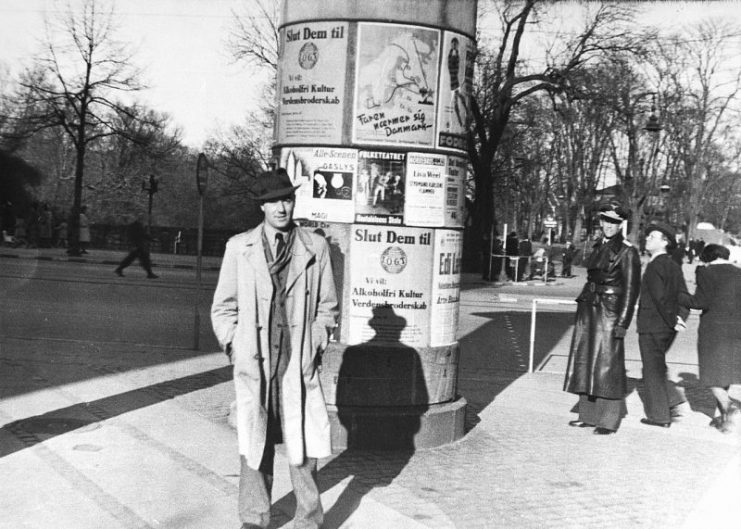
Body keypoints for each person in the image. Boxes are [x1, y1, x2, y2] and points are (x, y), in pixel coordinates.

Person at [211, 169, 339, 529]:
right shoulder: (240, 247)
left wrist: (315, 341)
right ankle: (254, 519)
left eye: (286, 199)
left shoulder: (314, 247)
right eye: (272, 201)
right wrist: (235, 345)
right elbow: (223, 307)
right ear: (262, 206)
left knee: (305, 447)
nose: (280, 208)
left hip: (296, 362)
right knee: (255, 445)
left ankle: (309, 520)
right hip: (256, 363)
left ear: (293, 201)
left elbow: (328, 307)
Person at [563, 201, 641, 434]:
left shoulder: (628, 251)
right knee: (585, 359)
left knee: (609, 365)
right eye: (606, 220)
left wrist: (623, 323)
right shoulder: (597, 246)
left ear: (620, 225)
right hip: (590, 307)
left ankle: (608, 421)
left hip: (610, 311)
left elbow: (631, 290)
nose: (609, 226)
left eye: (614, 222)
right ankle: (588, 415)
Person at [679, 244, 741, 433]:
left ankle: (728, 405)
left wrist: (679, 296)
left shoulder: (706, 272)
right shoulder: (739, 272)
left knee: (710, 372)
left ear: (707, 258)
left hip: (714, 329)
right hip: (736, 329)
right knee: (724, 371)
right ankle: (725, 420)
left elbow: (700, 302)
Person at [636, 222, 689, 428]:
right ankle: (673, 400)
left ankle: (659, 416)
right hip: (666, 327)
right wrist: (680, 318)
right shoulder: (674, 265)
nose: (647, 239)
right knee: (656, 366)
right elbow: (683, 295)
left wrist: (671, 320)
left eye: (652, 237)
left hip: (652, 326)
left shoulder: (655, 266)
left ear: (665, 242)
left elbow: (659, 299)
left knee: (652, 370)